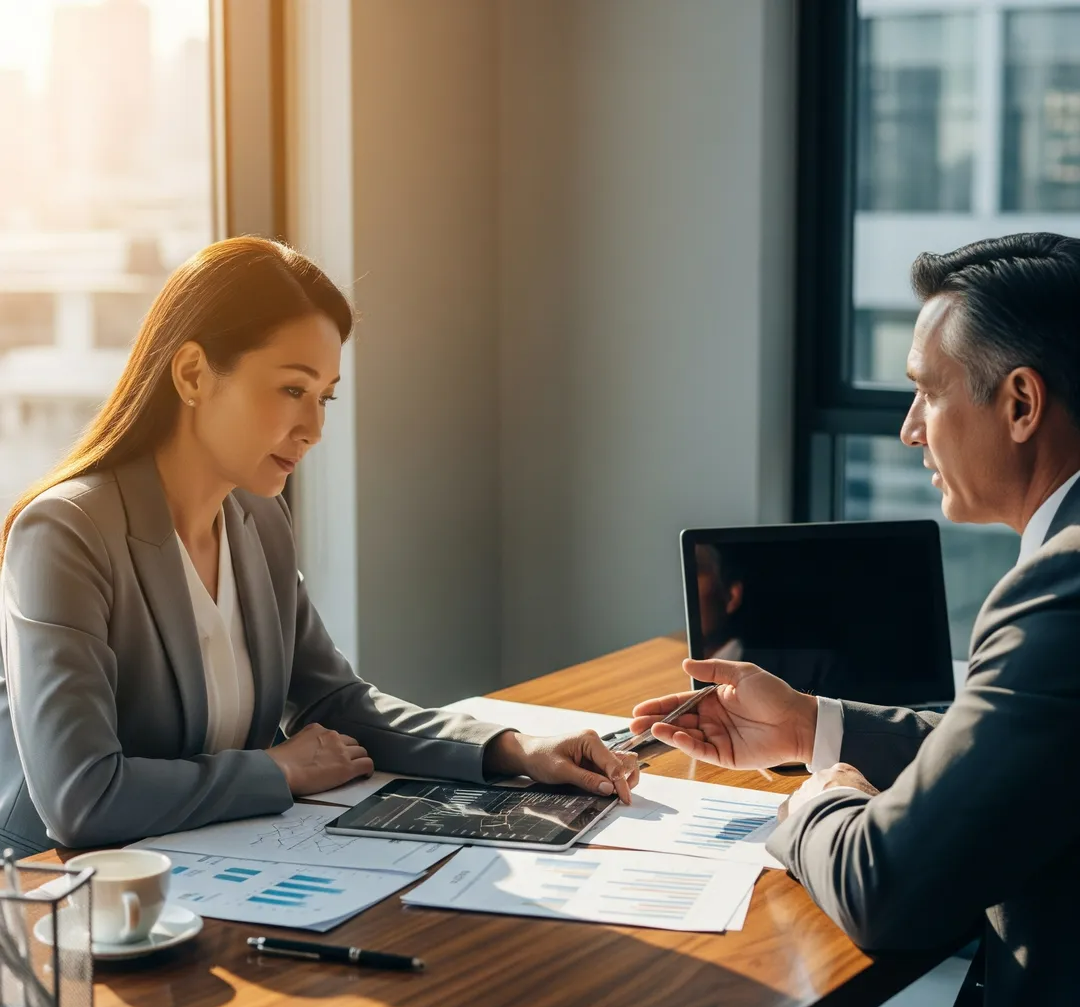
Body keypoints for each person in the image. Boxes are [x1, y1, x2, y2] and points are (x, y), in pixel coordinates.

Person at [0, 237, 638, 859]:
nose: (313, 429)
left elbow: (334, 702)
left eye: (324, 396)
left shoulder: (257, 517)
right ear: (193, 373)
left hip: (212, 874)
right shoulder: (64, 533)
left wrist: (517, 749)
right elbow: (80, 797)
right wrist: (275, 770)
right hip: (63, 903)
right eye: (291, 390)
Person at [630, 233, 1080, 1005]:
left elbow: (887, 885)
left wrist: (814, 800)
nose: (909, 429)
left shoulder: (1059, 587)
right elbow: (1024, 751)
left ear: (1020, 403)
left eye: (928, 393)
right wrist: (810, 727)